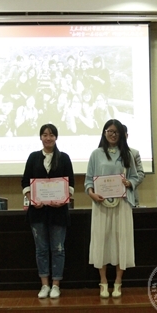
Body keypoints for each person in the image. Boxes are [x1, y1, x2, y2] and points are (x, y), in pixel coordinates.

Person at [85, 119, 139, 298]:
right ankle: (103, 282)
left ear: (121, 134)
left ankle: (118, 282)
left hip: (122, 204)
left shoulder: (127, 154)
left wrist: (128, 182)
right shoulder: (96, 154)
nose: (113, 135)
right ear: (104, 132)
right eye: (110, 131)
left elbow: (135, 177)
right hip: (101, 204)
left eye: (116, 132)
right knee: (102, 240)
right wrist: (92, 194)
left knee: (121, 240)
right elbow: (88, 180)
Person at [21, 124, 75, 299]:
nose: (48, 138)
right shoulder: (33, 157)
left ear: (56, 137)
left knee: (58, 249)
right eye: (45, 135)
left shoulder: (64, 158)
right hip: (37, 212)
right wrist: (31, 198)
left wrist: (63, 199)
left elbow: (71, 183)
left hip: (58, 212)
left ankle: (56, 285)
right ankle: (44, 285)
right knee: (41, 249)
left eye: (51, 135)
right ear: (40, 137)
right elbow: (25, 182)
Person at [123, 125, 145, 206]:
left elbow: (140, 173)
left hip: (130, 197)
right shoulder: (105, 154)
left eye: (123, 135)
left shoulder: (134, 153)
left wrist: (130, 183)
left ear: (127, 135)